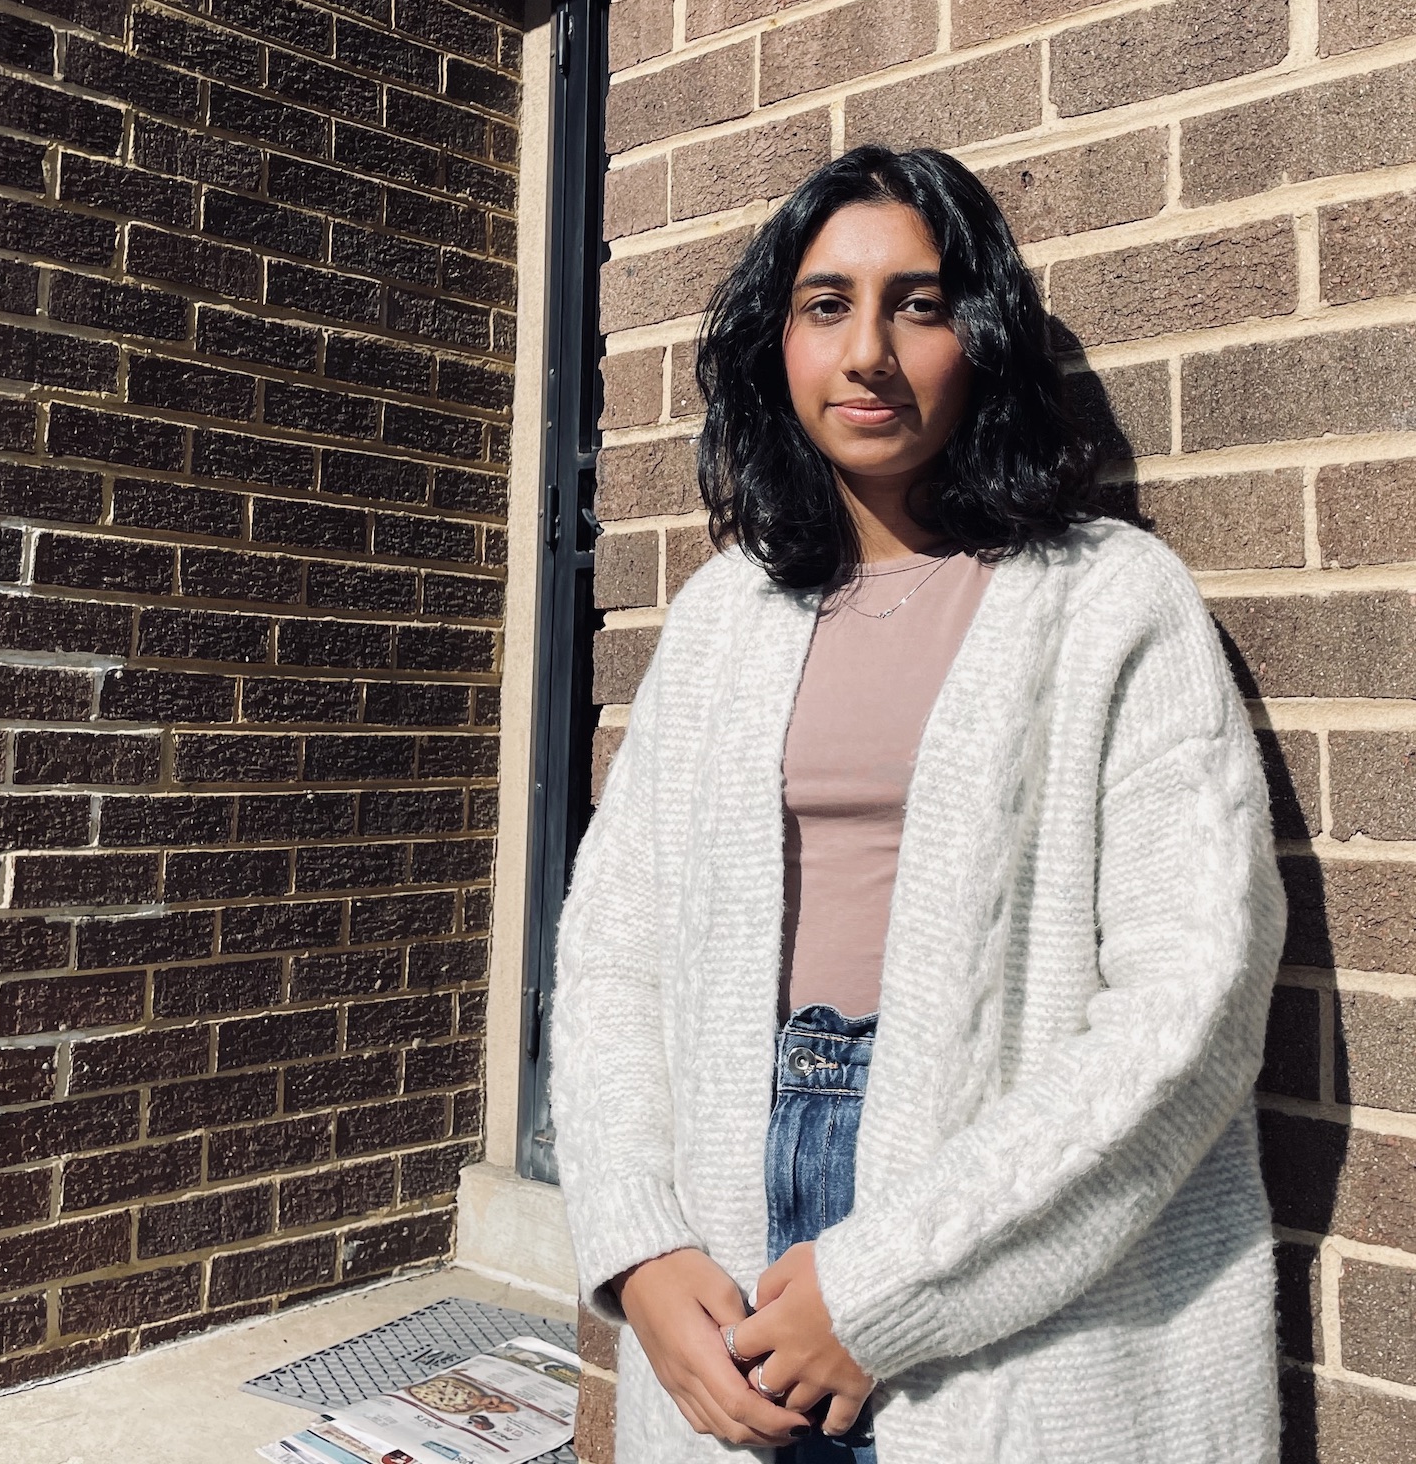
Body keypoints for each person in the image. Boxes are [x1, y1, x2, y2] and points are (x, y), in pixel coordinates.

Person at [549, 145, 1285, 1463]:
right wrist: (641, 1245)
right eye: (826, 305)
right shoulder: (723, 617)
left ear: (982, 336)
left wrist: (886, 1286)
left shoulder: (1112, 601)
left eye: (921, 305)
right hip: (726, 1222)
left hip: (991, 1229)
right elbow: (613, 953)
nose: (870, 353)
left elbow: (1197, 999)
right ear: (777, 343)